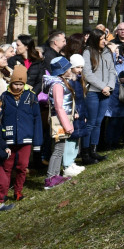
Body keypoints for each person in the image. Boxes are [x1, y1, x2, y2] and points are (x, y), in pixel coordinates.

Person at [0, 65, 41, 201]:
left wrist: (37, 142)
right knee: (7, 167)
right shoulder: (4, 97)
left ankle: (18, 191)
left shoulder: (31, 97)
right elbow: (0, 118)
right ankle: (3, 193)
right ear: (11, 83)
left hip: (26, 138)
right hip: (9, 138)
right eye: (15, 84)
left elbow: (37, 119)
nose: (18, 87)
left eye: (21, 84)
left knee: (22, 166)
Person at [41, 57, 77, 190]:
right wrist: (67, 126)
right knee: (58, 149)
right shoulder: (57, 85)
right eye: (68, 68)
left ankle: (55, 175)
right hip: (59, 122)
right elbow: (58, 107)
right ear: (62, 71)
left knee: (60, 149)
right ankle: (50, 178)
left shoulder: (62, 82)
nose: (70, 70)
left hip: (63, 119)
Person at [82, 29, 116, 163]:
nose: (105, 41)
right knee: (90, 123)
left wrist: (109, 86)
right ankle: (85, 153)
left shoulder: (107, 52)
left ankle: (93, 151)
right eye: (102, 39)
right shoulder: (88, 52)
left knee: (98, 122)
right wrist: (103, 87)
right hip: (93, 92)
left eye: (105, 38)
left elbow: (112, 70)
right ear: (95, 39)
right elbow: (87, 74)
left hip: (106, 92)